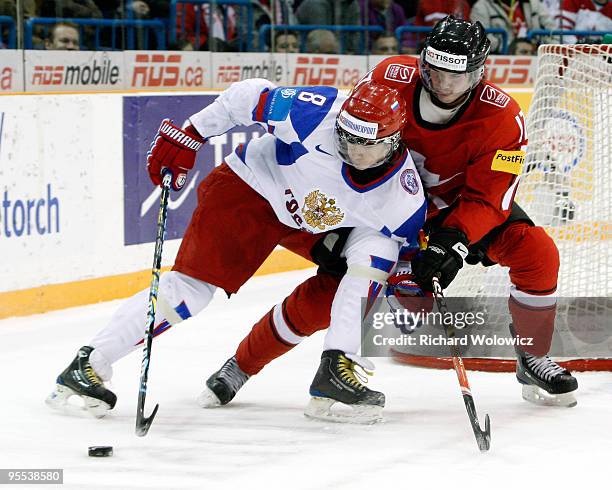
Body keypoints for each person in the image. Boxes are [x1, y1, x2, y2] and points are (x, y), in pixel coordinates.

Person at [203, 16, 579, 420]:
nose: (445, 85)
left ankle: (533, 355)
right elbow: (344, 138)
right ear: (422, 64)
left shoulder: (504, 119)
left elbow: (489, 199)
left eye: (458, 76)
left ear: (479, 73)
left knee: (537, 253)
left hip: (454, 211)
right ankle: (242, 364)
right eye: (435, 72)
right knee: (329, 296)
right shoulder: (386, 78)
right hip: (377, 208)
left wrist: (451, 240)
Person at [46, 78, 427, 424]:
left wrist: (413, 278)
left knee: (379, 252)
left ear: (394, 141)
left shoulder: (404, 196)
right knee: (190, 292)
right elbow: (246, 97)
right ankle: (88, 363)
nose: (354, 153)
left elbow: (405, 255)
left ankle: (337, 366)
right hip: (250, 190)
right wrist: (192, 134)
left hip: (309, 221)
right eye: (347, 140)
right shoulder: (316, 111)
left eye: (367, 145)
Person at [470, 0, 556, 53]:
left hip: (534, 53)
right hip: (501, 55)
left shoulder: (534, 3)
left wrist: (544, 49)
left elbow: (553, 31)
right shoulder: (481, 6)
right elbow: (481, 38)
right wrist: (509, 48)